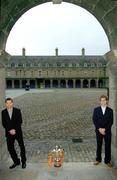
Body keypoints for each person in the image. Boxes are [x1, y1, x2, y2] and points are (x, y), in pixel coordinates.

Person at [1, 97, 26, 169]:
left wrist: (14, 129)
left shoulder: (17, 111)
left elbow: (20, 121)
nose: (9, 104)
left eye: (10, 103)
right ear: (5, 104)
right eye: (7, 103)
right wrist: (10, 130)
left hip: (18, 132)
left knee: (22, 147)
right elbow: (4, 123)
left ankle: (23, 162)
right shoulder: (3, 112)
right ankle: (16, 161)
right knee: (10, 148)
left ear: (12, 103)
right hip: (9, 133)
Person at [93, 95, 113, 168]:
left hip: (107, 131)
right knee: (99, 145)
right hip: (98, 131)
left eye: (104, 100)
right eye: (101, 100)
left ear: (107, 101)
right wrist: (99, 129)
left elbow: (111, 122)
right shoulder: (96, 110)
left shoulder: (110, 110)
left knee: (108, 146)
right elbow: (94, 120)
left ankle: (107, 161)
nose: (103, 102)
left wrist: (105, 129)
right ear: (99, 101)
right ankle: (98, 159)